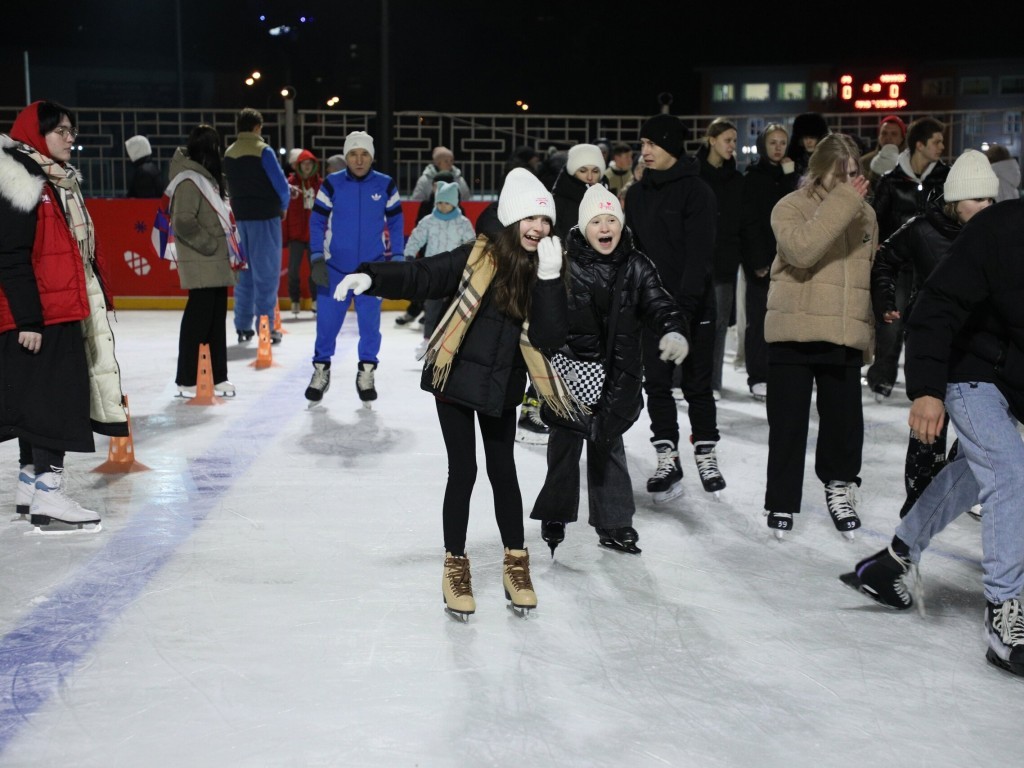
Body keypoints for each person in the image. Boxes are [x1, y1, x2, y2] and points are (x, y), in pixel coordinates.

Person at [332, 167, 569, 620]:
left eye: (546, 221)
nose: (539, 228)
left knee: (504, 472)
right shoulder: (478, 256)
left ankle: (516, 563)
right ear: (514, 218)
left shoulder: (547, 267)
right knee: (463, 471)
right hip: (456, 380)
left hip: (501, 386)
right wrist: (371, 277)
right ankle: (455, 566)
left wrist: (553, 281)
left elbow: (552, 336)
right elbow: (425, 274)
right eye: (531, 219)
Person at [840, 196, 1024, 678]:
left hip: (1017, 378)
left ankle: (897, 557)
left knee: (974, 471)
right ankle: (1005, 614)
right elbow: (936, 303)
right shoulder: (999, 229)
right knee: (1008, 471)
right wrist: (925, 390)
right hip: (969, 369)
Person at [530, 184, 688, 557]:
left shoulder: (636, 265)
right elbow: (545, 316)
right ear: (584, 227)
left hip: (618, 374)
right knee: (565, 448)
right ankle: (555, 515)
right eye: (597, 221)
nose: (605, 227)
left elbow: (659, 302)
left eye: (611, 220)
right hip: (569, 374)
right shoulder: (565, 263)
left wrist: (673, 328)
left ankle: (615, 523)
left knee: (609, 445)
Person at [0, 100, 128, 531]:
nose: (71, 139)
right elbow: (11, 256)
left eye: (72, 131)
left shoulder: (52, 179)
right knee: (55, 404)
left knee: (38, 404)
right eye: (63, 131)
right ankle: (50, 496)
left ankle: (29, 485)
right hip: (42, 311)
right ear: (38, 134)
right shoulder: (21, 179)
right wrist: (29, 321)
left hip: (54, 305)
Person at [870, 149, 997, 517]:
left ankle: (962, 485)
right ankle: (920, 502)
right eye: (978, 199)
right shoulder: (922, 228)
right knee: (929, 428)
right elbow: (885, 259)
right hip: (933, 341)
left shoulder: (995, 231)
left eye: (991, 198)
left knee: (981, 428)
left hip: (982, 344)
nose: (987, 206)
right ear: (956, 200)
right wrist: (884, 300)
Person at [763, 133, 877, 539]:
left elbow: (865, 274)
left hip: (842, 332)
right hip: (793, 331)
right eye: (840, 173)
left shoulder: (866, 214)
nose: (849, 181)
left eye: (855, 172)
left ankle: (840, 487)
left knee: (845, 426)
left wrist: (867, 336)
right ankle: (781, 501)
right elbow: (801, 252)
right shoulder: (789, 207)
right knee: (788, 426)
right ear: (818, 171)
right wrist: (845, 202)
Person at [625, 113, 726, 502]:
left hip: (695, 305)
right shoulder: (636, 194)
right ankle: (667, 456)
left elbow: (699, 258)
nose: (644, 151)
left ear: (671, 147)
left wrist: (680, 316)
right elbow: (634, 254)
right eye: (643, 144)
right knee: (658, 386)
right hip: (652, 307)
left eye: (652, 144)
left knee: (698, 385)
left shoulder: (697, 191)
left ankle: (706, 452)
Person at [305, 130, 404, 406]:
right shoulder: (332, 184)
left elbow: (396, 222)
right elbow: (316, 222)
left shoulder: (385, 184)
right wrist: (315, 257)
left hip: (371, 272)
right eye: (353, 154)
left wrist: (397, 257)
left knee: (370, 327)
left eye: (364, 155)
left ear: (372, 157)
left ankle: (367, 371)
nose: (359, 160)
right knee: (326, 325)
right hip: (334, 269)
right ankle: (321, 370)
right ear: (346, 157)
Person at [867, 116, 950, 401]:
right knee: (891, 323)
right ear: (919, 144)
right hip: (899, 264)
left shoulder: (946, 177)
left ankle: (927, 386)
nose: (941, 146)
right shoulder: (892, 180)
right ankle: (881, 379)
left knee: (927, 326)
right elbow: (875, 218)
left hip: (933, 265)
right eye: (936, 141)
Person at [168, 125, 239, 400]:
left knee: (215, 323)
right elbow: (183, 221)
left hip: (214, 263)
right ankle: (186, 379)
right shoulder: (189, 180)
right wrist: (210, 244)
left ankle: (218, 376)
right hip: (203, 261)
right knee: (198, 324)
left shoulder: (208, 179)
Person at [738, 122, 798, 402]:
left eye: (782, 142)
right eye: (772, 142)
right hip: (761, 262)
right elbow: (749, 223)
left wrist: (790, 175)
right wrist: (757, 261)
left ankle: (782, 373)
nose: (777, 148)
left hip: (789, 260)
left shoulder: (792, 176)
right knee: (759, 319)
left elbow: (796, 212)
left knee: (786, 319)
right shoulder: (752, 177)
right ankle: (758, 375)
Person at [222, 108, 290, 345]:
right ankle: (266, 327)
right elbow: (281, 185)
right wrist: (283, 206)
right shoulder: (264, 151)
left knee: (243, 275)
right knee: (267, 276)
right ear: (257, 127)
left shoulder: (229, 153)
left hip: (238, 220)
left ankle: (242, 325)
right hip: (265, 219)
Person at [695, 118, 742, 399]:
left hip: (724, 260)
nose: (732, 145)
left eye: (734, 141)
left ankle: (713, 382)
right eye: (728, 139)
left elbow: (740, 220)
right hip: (696, 259)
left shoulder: (736, 178)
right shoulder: (692, 172)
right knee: (689, 321)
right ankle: (682, 379)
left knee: (719, 326)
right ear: (711, 139)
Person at [401, 181, 476, 357]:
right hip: (433, 272)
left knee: (453, 309)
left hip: (455, 273)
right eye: (440, 202)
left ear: (455, 203)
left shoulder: (462, 223)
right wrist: (410, 254)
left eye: (447, 203)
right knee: (432, 308)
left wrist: (472, 264)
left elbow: (472, 245)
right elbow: (416, 238)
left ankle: (453, 343)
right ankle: (428, 341)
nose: (443, 206)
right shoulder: (429, 221)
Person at [283, 149, 322, 317]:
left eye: (310, 164)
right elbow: (284, 211)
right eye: (304, 164)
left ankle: (316, 300)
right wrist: (286, 234)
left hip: (314, 235)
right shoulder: (290, 184)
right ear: (298, 165)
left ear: (314, 166)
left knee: (315, 270)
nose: (307, 167)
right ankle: (295, 300)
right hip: (296, 235)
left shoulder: (320, 185)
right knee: (293, 270)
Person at [552, 143, 606, 239]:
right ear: (572, 172)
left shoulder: (608, 197)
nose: (589, 177)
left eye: (595, 171)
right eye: (583, 171)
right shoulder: (558, 201)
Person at [859, 114, 906, 197]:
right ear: (878, 136)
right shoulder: (864, 162)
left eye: (894, 134)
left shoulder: (910, 161)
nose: (888, 137)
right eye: (884, 133)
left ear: (902, 138)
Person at [786, 112, 830, 177]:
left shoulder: (829, 158)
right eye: (805, 137)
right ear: (800, 139)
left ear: (819, 138)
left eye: (812, 137)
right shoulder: (793, 159)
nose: (808, 141)